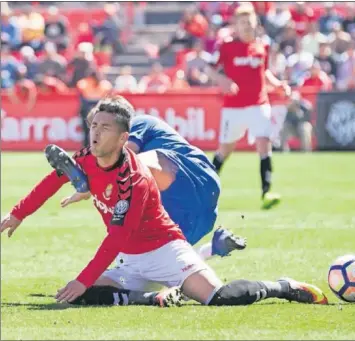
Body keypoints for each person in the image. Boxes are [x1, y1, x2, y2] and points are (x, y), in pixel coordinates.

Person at [1, 96, 328, 308]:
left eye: (104, 127)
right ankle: (151, 296)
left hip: (175, 224)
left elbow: (118, 235)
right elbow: (51, 180)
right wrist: (18, 214)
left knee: (219, 298)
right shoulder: (87, 159)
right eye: (92, 126)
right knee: (79, 296)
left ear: (123, 136)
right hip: (144, 248)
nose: (95, 133)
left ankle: (282, 286)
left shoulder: (136, 172)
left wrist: (83, 276)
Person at [62, 114, 246, 259]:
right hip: (194, 212)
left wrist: (89, 183)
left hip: (192, 175)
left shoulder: (137, 123)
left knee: (132, 163)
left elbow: (126, 155)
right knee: (159, 263)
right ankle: (214, 248)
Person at [205, 4, 291, 209]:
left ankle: (266, 192)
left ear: (255, 23)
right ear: (236, 25)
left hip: (258, 104)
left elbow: (265, 72)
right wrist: (223, 81)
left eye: (249, 22)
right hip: (233, 107)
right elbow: (210, 69)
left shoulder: (263, 46)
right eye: (241, 22)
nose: (246, 26)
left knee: (264, 142)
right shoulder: (226, 46)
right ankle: (204, 187)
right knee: (225, 150)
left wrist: (278, 84)